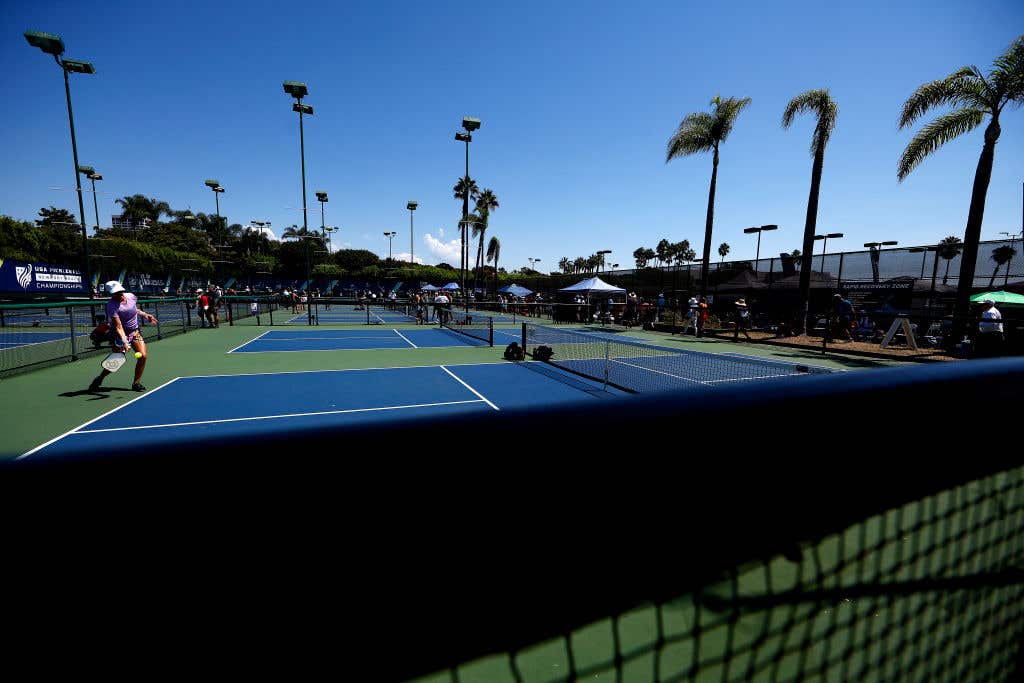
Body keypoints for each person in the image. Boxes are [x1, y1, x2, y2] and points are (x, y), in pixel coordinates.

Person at [89, 281, 158, 392]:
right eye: (116, 292)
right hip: (118, 335)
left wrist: (145, 315)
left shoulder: (131, 296)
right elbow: (118, 326)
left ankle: (136, 383)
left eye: (120, 290)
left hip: (134, 332)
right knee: (116, 361)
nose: (120, 293)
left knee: (143, 356)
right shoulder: (112, 306)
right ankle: (99, 378)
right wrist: (125, 341)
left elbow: (134, 309)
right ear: (112, 293)